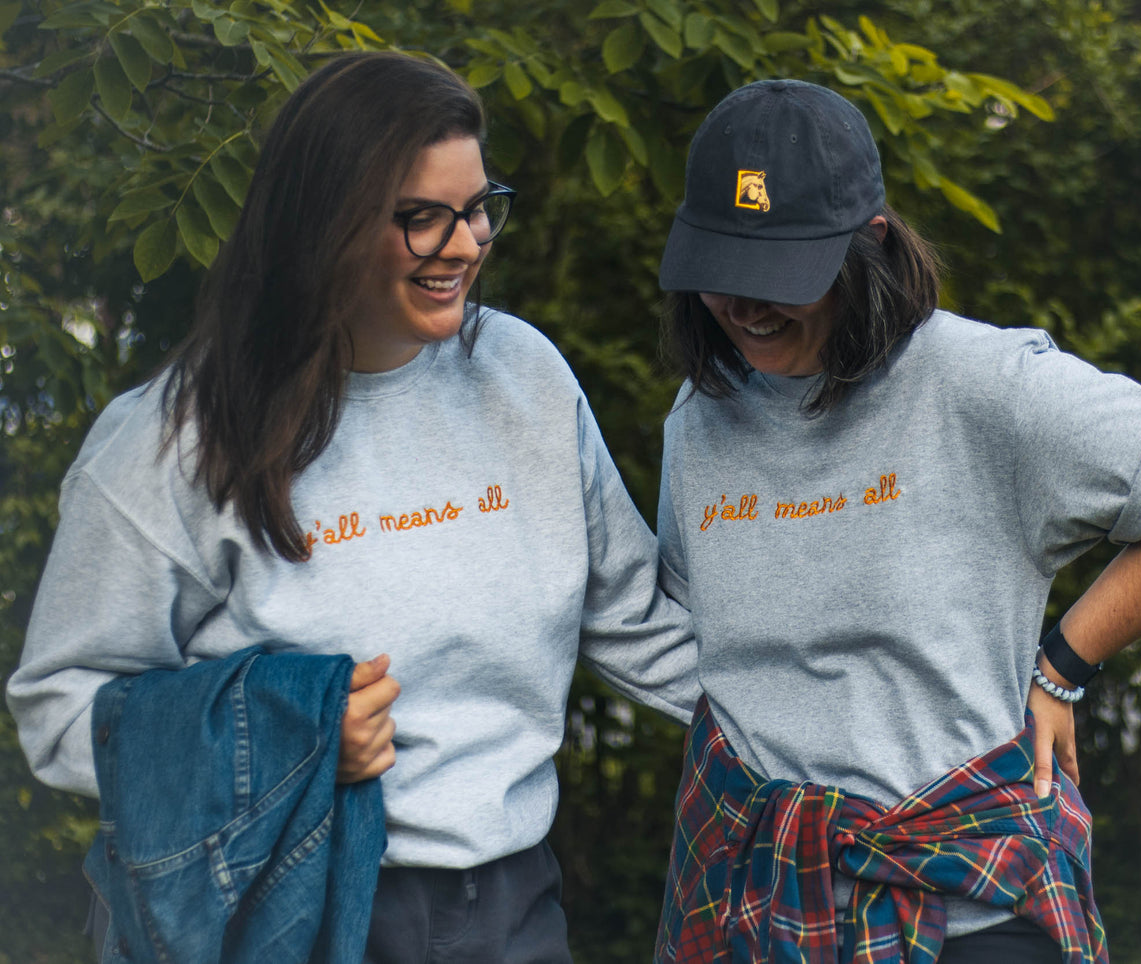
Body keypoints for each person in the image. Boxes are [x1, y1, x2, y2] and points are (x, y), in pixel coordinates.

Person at [7, 52, 699, 963]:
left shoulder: (522, 376)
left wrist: (852, 725)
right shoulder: (180, 436)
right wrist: (280, 747)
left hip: (511, 908)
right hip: (276, 908)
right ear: (324, 224)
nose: (466, 242)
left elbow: (635, 623)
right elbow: (60, 709)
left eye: (480, 204)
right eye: (421, 218)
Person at [651, 79, 1141, 964]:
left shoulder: (981, 387)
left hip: (967, 904)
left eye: (779, 279)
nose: (746, 307)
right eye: (722, 274)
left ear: (867, 245)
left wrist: (1062, 667)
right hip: (764, 905)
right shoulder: (701, 420)